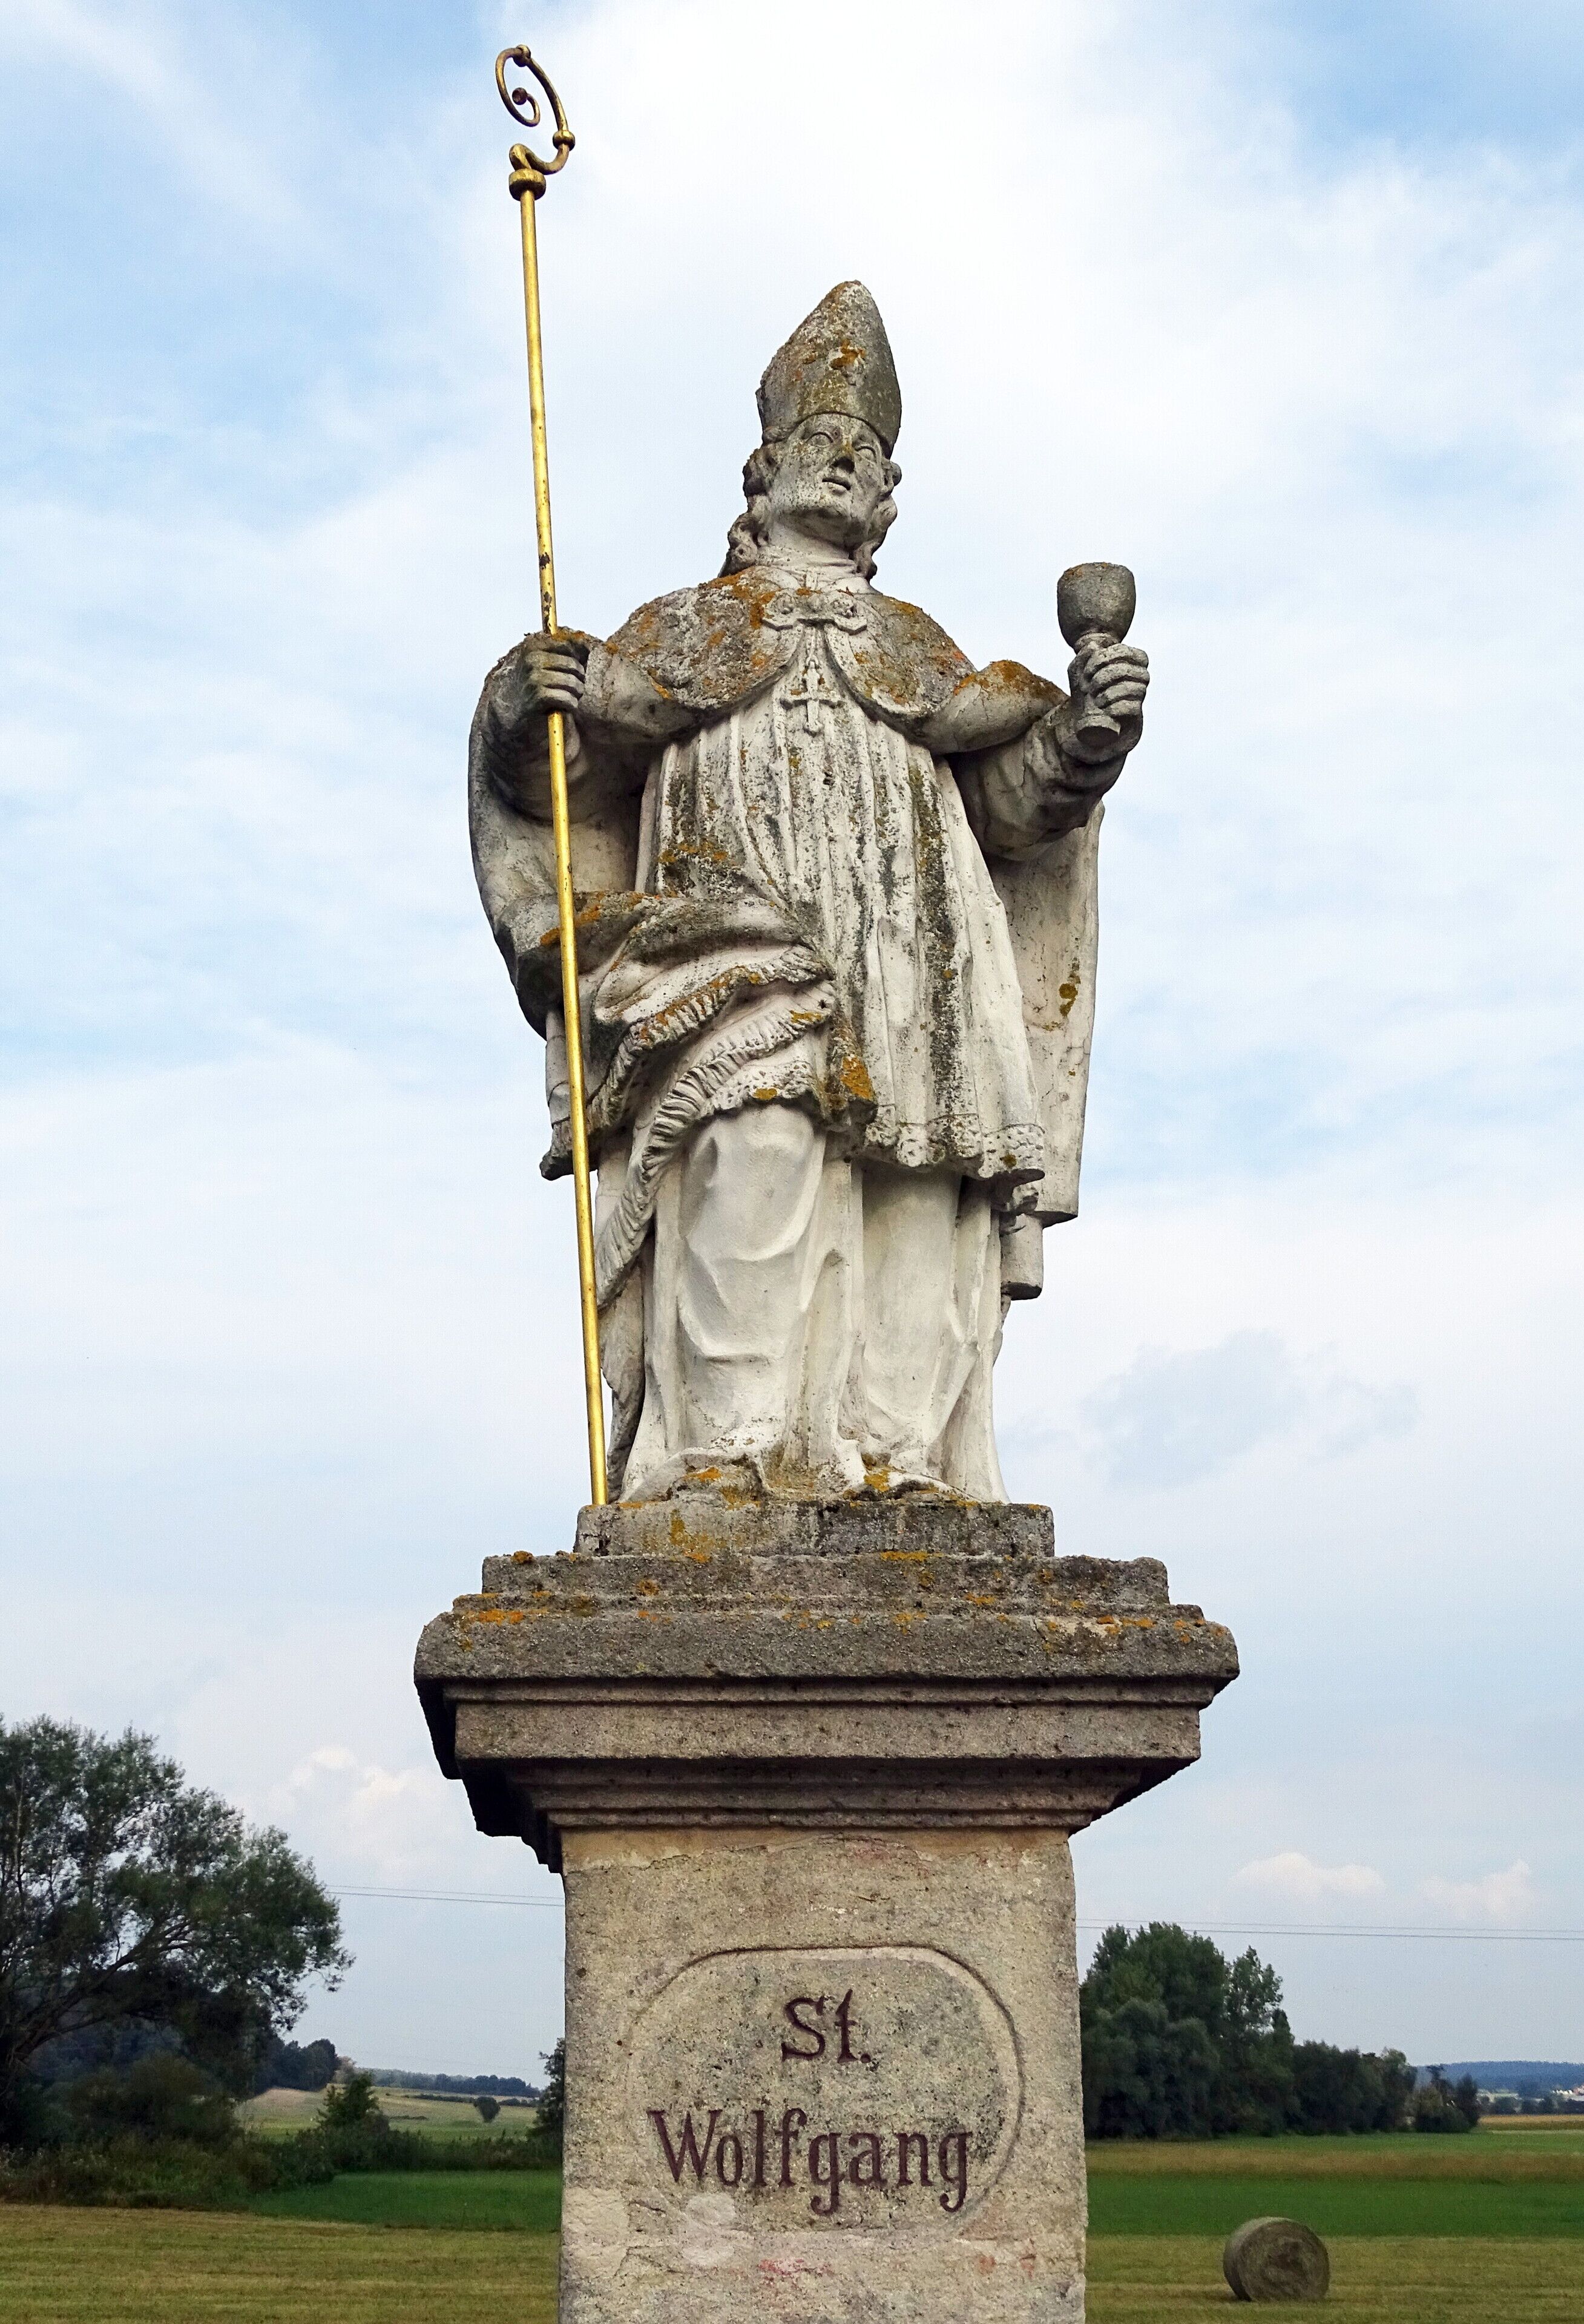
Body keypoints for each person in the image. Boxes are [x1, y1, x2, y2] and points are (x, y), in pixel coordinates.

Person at [471, 283, 1148, 1500]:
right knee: (750, 1147)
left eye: (869, 461)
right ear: (761, 472)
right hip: (736, 941)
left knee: (917, 1175)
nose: (847, 465)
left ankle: (899, 1460)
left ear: (888, 502)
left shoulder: (920, 649)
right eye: (824, 445)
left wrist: (1084, 735)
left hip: (914, 947)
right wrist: (530, 709)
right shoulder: (682, 631)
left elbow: (1011, 811)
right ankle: (727, 1450)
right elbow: (568, 785)